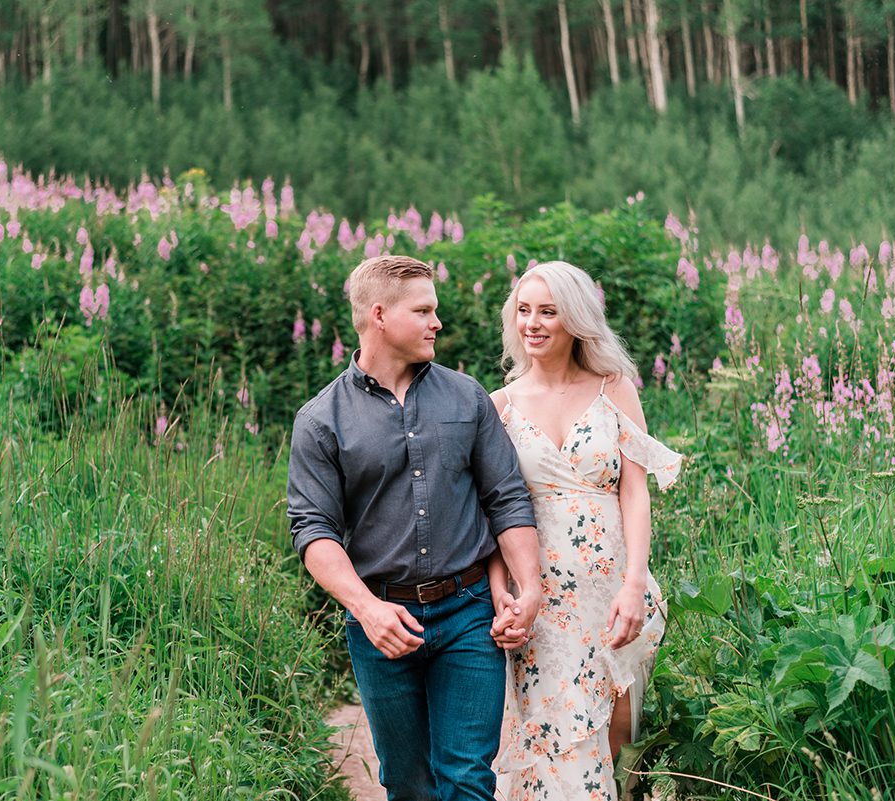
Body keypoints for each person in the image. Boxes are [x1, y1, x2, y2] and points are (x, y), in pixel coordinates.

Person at [287, 254, 542, 801]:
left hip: (469, 612)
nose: (437, 322)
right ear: (379, 315)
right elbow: (314, 532)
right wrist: (367, 608)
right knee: (407, 782)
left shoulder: (466, 396)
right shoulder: (320, 420)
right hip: (381, 620)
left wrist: (530, 588)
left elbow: (506, 497)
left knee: (467, 777)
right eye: (423, 311)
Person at [487, 261, 683, 801]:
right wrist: (502, 592)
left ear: (575, 320)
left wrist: (635, 583)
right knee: (548, 733)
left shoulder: (613, 389)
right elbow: (496, 510)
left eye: (548, 311)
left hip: (612, 592)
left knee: (616, 735)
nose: (533, 323)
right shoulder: (498, 406)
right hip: (540, 600)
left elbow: (635, 491)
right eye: (524, 310)